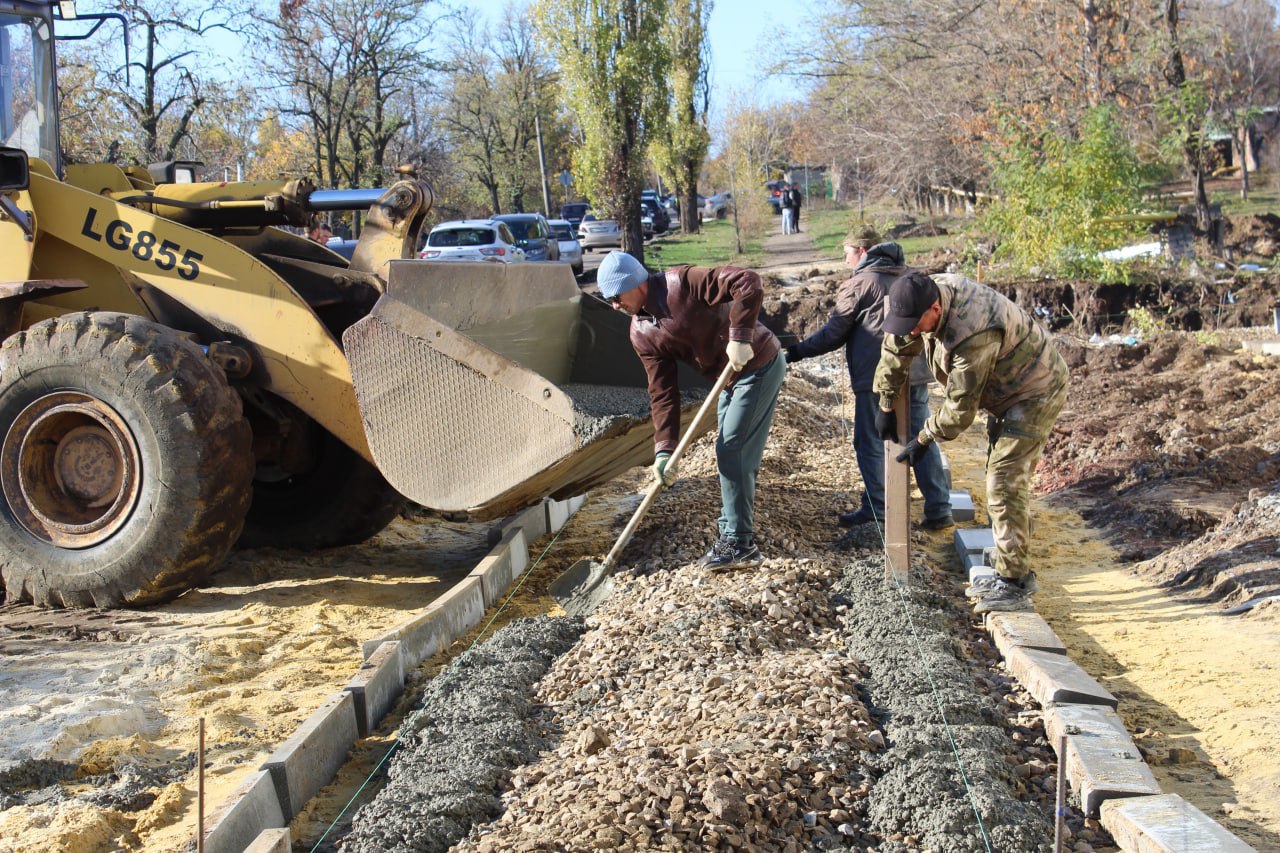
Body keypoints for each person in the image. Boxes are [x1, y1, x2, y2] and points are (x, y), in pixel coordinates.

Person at [872, 271, 1070, 613]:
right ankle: (1008, 552)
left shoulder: (972, 331)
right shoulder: (917, 295)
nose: (913, 329)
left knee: (1005, 481)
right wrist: (886, 401)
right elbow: (898, 342)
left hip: (1034, 390)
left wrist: (923, 438)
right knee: (998, 473)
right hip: (1006, 387)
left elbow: (960, 410)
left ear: (935, 308)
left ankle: (1014, 582)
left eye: (917, 322)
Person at [596, 250, 785, 571]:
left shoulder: (681, 283)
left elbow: (748, 282)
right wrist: (664, 451)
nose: (615, 306)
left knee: (733, 451)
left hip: (757, 365)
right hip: (727, 381)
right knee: (732, 453)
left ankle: (740, 544)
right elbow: (663, 392)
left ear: (634, 283)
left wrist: (741, 337)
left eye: (616, 296)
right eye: (608, 301)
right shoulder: (640, 333)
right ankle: (732, 527)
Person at [785, 227, 952, 531]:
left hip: (877, 377)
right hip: (915, 373)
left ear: (862, 251)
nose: (846, 260)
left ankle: (878, 509)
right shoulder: (910, 276)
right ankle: (939, 509)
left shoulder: (860, 283)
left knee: (870, 442)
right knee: (921, 438)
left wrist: (795, 352)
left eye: (846, 253)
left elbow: (834, 333)